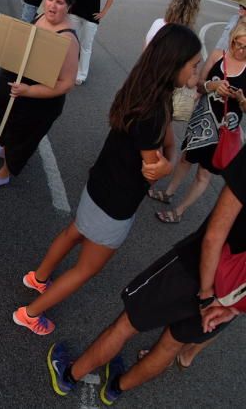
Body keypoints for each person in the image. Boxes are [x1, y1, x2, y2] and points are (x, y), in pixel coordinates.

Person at [12, 25, 202, 335]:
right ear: (174, 63)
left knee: (74, 231)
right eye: (193, 64)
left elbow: (166, 138)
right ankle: (30, 314)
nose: (197, 70)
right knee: (86, 269)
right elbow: (154, 168)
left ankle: (39, 278)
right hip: (117, 203)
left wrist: (167, 152)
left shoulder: (143, 88)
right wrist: (168, 166)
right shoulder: (154, 111)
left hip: (99, 183)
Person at [46, 147, 246, 405]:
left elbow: (214, 237)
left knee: (126, 325)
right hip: (232, 297)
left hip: (194, 270)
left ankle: (70, 375)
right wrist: (233, 307)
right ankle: (115, 389)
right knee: (170, 346)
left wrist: (207, 294)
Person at [0, 0, 80, 189]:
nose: (52, 6)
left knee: (22, 136)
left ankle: (5, 172)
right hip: (17, 90)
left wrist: (30, 91)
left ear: (69, 7)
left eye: (60, 2)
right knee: (6, 122)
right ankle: (6, 148)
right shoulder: (42, 16)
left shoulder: (69, 39)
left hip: (39, 101)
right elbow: (25, 48)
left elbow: (67, 84)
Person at [155, 19, 246, 224]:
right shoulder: (217, 56)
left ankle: (179, 211)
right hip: (202, 118)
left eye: (245, 47)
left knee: (204, 173)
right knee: (187, 158)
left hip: (224, 129)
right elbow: (198, 85)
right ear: (231, 40)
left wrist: (240, 99)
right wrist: (212, 86)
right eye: (236, 44)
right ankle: (168, 192)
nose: (239, 50)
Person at [71, 0, 115, 85]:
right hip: (75, 12)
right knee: (71, 43)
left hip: (92, 17)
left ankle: (81, 75)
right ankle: (67, 70)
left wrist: (103, 13)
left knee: (86, 46)